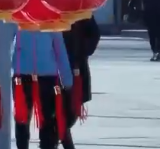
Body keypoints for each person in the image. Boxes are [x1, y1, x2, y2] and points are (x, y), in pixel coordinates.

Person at [12, 28, 73, 149]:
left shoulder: (18, 19)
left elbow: (7, 46)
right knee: (43, 120)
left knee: (24, 119)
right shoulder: (52, 21)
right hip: (43, 74)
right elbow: (59, 50)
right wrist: (67, 80)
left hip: (25, 73)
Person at [60, 16, 101, 149]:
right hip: (54, 68)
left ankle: (52, 138)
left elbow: (94, 34)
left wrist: (81, 50)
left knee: (71, 113)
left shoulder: (80, 10)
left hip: (77, 67)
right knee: (57, 114)